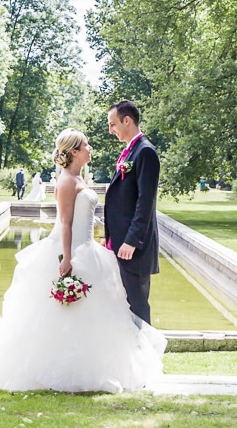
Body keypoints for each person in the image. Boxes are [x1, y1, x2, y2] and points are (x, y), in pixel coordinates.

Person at [0, 129, 165, 392]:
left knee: (95, 313)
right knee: (58, 313)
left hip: (88, 249)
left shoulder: (78, 177)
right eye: (86, 145)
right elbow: (65, 223)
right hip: (71, 251)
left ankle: (91, 367)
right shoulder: (65, 181)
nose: (90, 148)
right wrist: (67, 258)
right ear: (74, 151)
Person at [103, 100, 160, 324]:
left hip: (133, 248)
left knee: (137, 304)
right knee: (125, 303)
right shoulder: (130, 152)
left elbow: (145, 202)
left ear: (127, 121)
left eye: (113, 124)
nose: (111, 130)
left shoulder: (145, 152)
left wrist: (131, 241)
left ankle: (145, 354)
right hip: (121, 243)